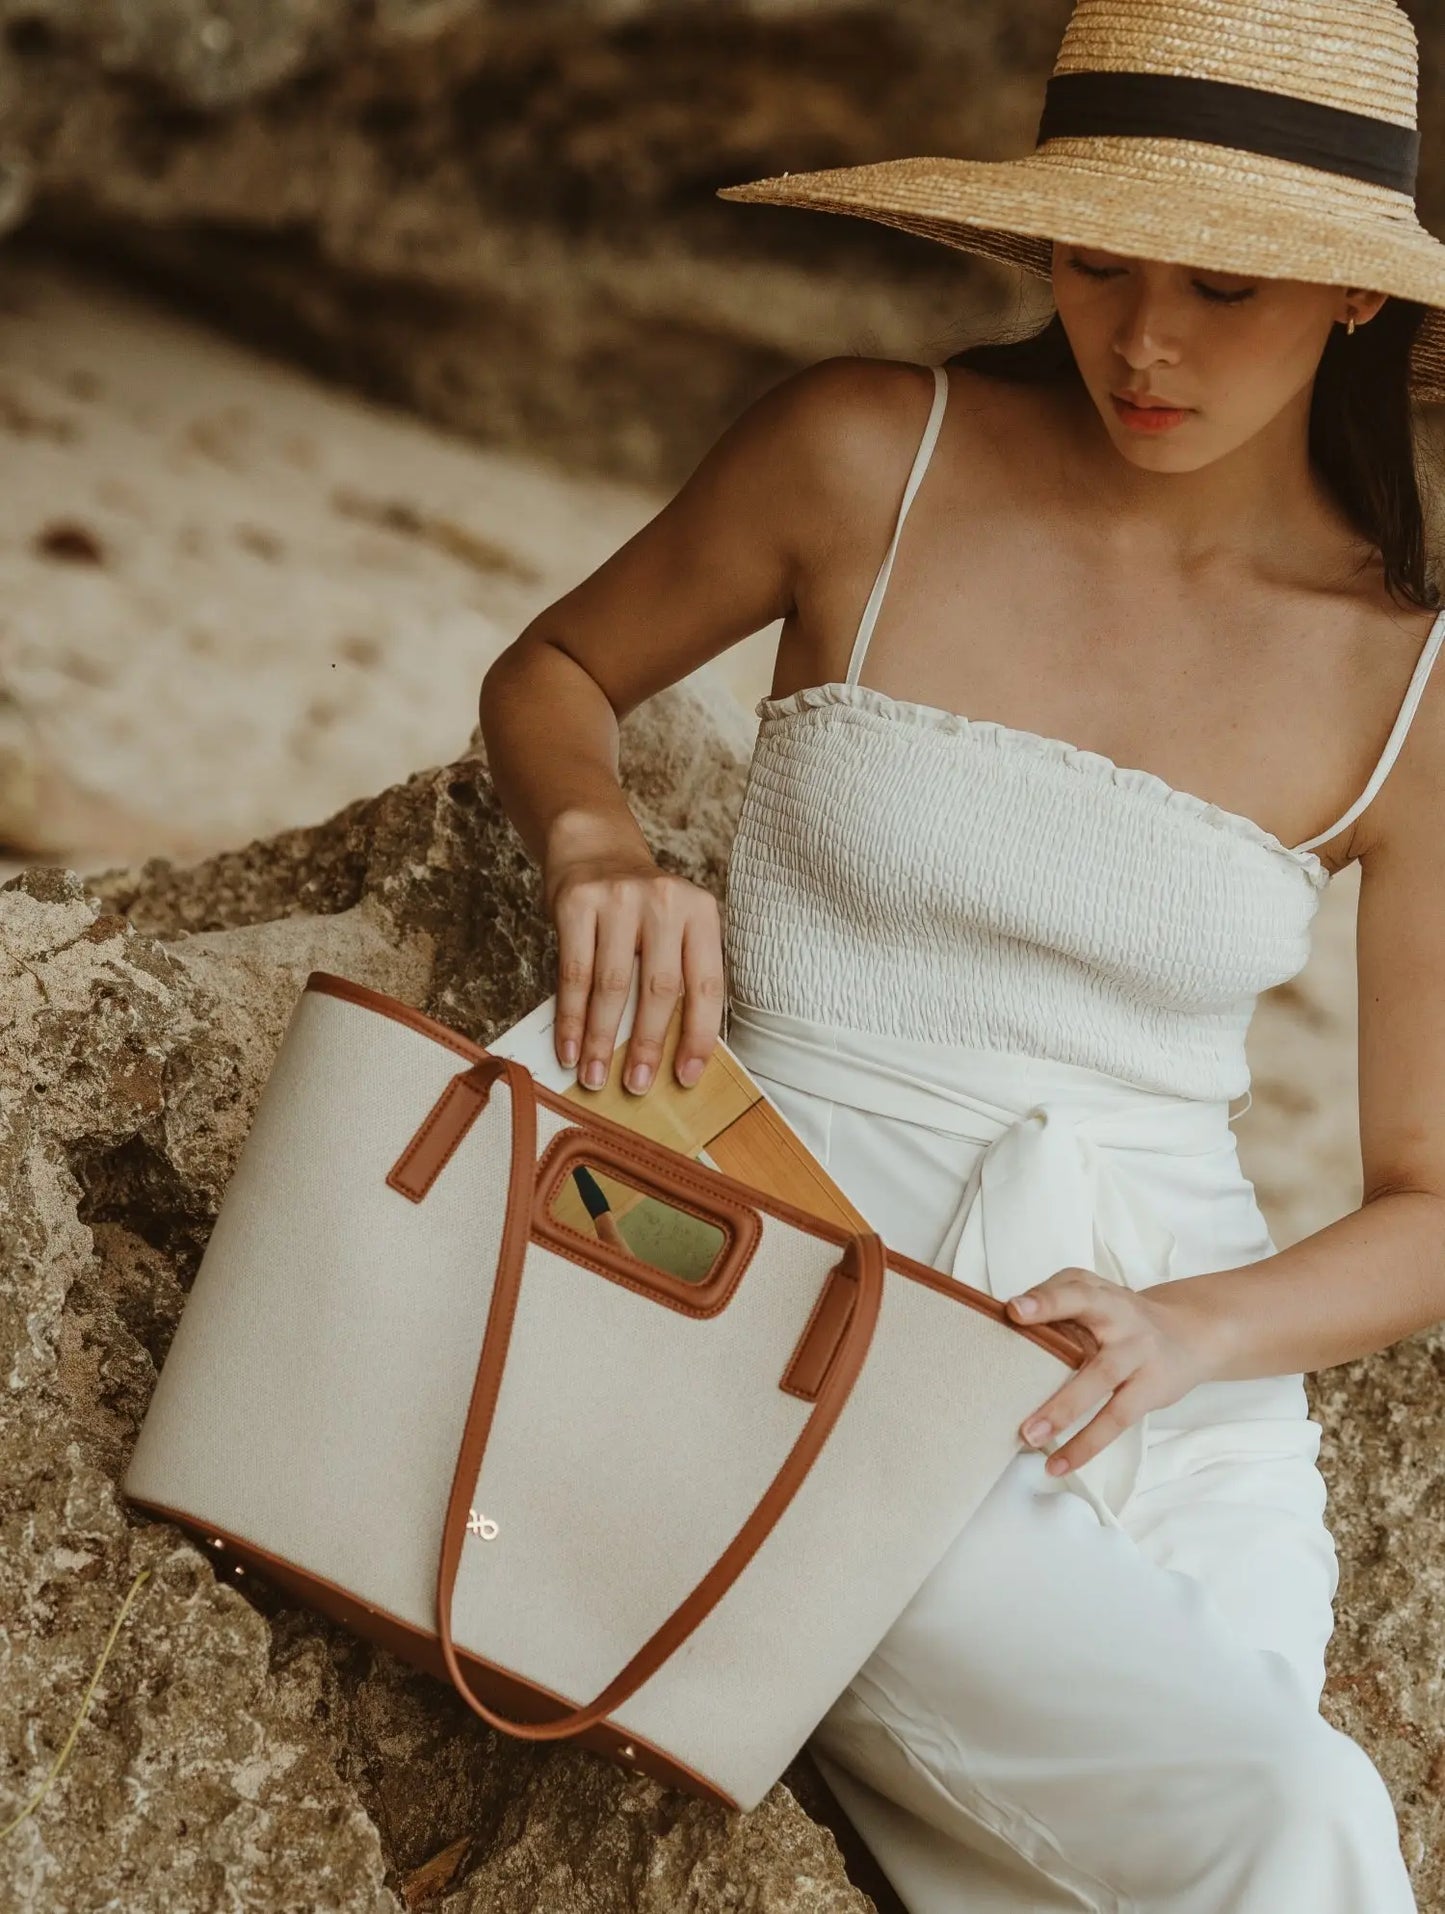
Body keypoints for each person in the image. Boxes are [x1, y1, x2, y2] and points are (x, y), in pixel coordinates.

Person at [477, 0, 1445, 1903]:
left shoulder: (1407, 680)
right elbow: (557, 668)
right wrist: (598, 842)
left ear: (1351, 295)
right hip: (790, 1292)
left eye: (1220, 286)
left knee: (1226, 1819)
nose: (1142, 341)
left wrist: (1192, 1332)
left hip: (1164, 1378)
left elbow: (1427, 1200)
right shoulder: (865, 452)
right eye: (1096, 262)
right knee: (1289, 1818)